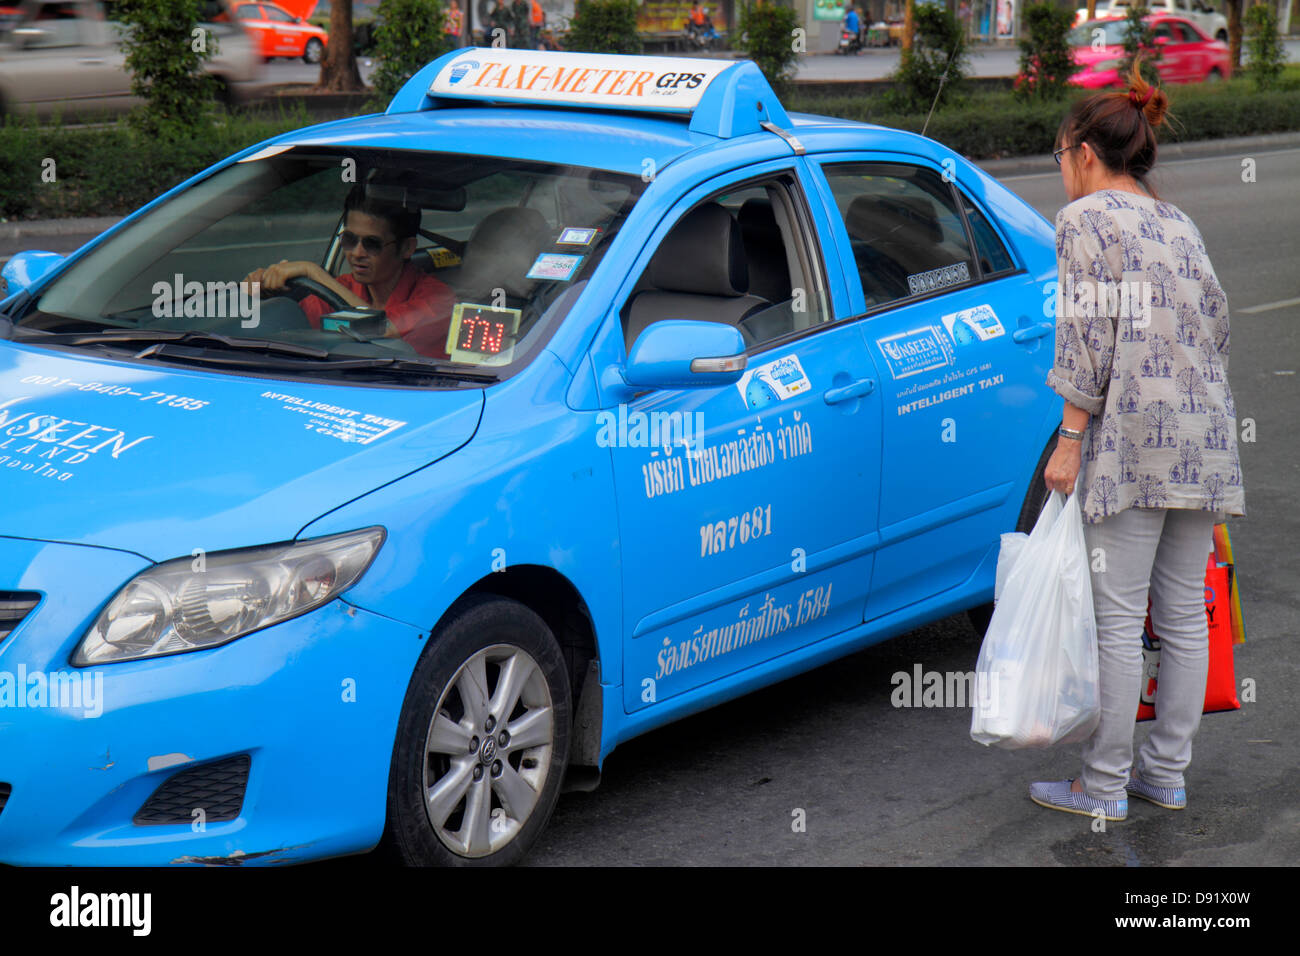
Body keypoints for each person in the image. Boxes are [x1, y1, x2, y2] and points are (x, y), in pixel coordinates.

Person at [1029, 61, 1245, 821]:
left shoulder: (1084, 222)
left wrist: (1068, 439)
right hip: (1206, 435)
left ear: (1085, 153)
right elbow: (1217, 322)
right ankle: (1167, 774)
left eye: (1061, 157)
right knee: (1186, 613)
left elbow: (1085, 337)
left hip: (1134, 440)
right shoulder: (1176, 221)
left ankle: (1103, 786)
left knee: (1118, 618)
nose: (1062, 173)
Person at [245, 187, 458, 360]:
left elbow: (381, 330)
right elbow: (292, 327)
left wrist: (312, 271)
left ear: (406, 248)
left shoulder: (439, 299)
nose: (356, 253)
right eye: (349, 240)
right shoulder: (342, 287)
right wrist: (262, 293)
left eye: (372, 244)